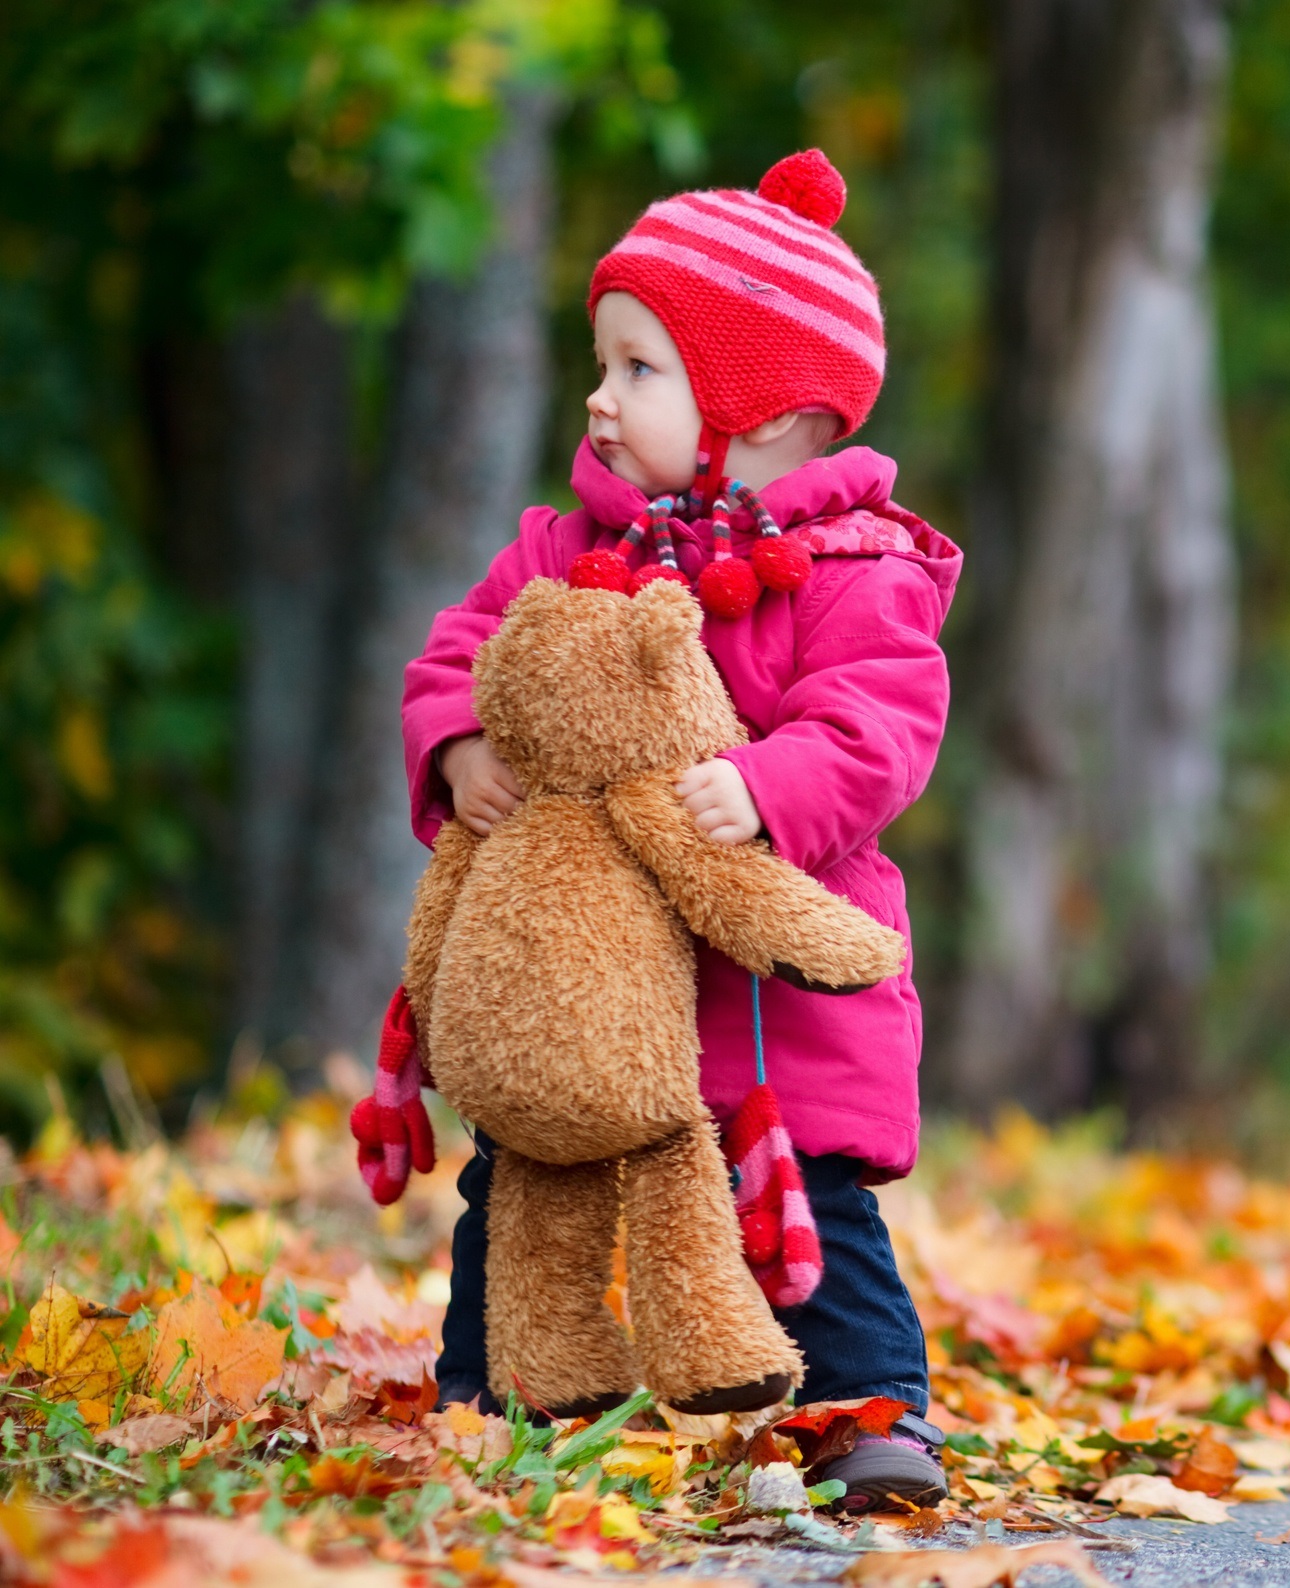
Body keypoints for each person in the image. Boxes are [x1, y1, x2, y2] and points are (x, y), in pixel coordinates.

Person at [400, 149, 961, 1514]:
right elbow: (457, 653)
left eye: (641, 370)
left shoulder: (852, 571)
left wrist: (772, 791)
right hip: (588, 983)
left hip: (775, 996)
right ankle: (497, 1393)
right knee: (519, 1180)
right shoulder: (563, 552)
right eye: (603, 362)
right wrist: (461, 744)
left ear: (769, 414)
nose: (599, 398)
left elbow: (882, 724)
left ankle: (865, 1413)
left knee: (809, 1211)